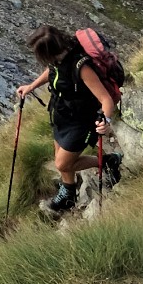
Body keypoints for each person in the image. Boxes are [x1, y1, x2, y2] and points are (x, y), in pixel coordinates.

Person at [15, 25, 122, 213]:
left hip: (81, 121)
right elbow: (52, 71)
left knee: (63, 163)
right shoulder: (59, 58)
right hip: (61, 114)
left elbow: (106, 100)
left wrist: (106, 121)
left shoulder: (82, 67)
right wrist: (31, 86)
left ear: (51, 52)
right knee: (61, 158)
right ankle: (68, 195)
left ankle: (109, 161)